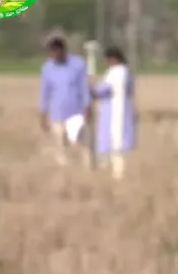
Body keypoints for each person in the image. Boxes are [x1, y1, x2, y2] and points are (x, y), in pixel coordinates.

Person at [39, 36, 92, 166]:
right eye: (52, 52)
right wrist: (43, 114)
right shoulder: (47, 68)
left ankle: (88, 172)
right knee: (60, 148)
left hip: (76, 112)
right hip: (57, 115)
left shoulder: (78, 64)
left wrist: (87, 108)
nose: (54, 54)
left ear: (63, 50)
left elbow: (84, 88)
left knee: (84, 146)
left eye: (56, 51)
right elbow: (45, 93)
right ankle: (65, 174)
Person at [91, 46, 137, 180]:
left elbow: (102, 90)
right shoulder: (128, 73)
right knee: (119, 148)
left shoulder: (115, 72)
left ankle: (116, 176)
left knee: (114, 147)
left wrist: (91, 88)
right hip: (125, 112)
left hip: (112, 114)